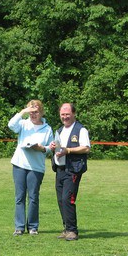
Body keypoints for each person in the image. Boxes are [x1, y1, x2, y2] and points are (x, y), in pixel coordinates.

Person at [8, 100, 54, 236]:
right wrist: (22, 112)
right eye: (31, 112)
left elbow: (50, 149)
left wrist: (41, 148)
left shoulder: (47, 129)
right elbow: (11, 125)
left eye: (36, 112)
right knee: (19, 197)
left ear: (41, 112)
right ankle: (19, 227)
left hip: (36, 167)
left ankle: (33, 227)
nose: (33, 114)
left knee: (33, 197)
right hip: (20, 164)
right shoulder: (23, 124)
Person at [50, 103, 91, 241]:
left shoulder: (81, 130)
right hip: (60, 169)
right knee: (61, 200)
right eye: (62, 114)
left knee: (68, 199)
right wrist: (53, 147)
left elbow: (86, 148)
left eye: (67, 114)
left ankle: (72, 231)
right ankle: (66, 228)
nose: (65, 117)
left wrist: (68, 150)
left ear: (74, 114)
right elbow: (59, 148)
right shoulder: (60, 130)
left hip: (73, 169)